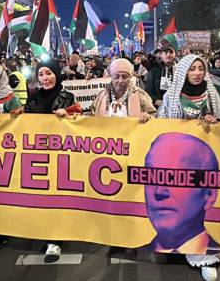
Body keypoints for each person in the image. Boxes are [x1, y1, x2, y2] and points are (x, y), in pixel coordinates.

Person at [155, 54, 220, 281]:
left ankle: (202, 255)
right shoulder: (172, 95)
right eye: (192, 69)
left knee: (200, 206)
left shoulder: (211, 93)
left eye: (200, 68)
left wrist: (215, 123)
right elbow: (162, 123)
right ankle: (180, 248)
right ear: (184, 72)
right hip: (177, 160)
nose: (197, 73)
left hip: (203, 162)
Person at [140, 133, 220, 281]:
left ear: (210, 194)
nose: (159, 191)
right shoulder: (140, 251)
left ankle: (203, 259)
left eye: (177, 176)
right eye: (152, 175)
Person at [20, 58, 81, 261]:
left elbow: (81, 126)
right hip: (38, 156)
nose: (45, 78)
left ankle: (55, 240)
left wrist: (70, 115)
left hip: (61, 157)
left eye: (49, 73)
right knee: (40, 198)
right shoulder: (32, 99)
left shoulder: (68, 97)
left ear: (57, 73)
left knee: (58, 199)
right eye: (41, 74)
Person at [91, 58, 156, 121]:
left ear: (130, 78)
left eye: (124, 77)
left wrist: (147, 117)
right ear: (111, 78)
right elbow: (92, 117)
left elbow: (153, 116)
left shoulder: (140, 95)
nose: (120, 81)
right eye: (116, 77)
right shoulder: (102, 95)